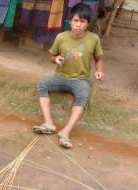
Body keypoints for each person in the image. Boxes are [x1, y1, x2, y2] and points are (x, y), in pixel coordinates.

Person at [33, 3, 105, 149]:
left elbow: (99, 59)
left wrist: (99, 70)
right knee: (42, 84)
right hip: (61, 77)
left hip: (80, 80)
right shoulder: (61, 37)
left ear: (87, 23)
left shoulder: (94, 39)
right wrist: (56, 59)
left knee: (84, 95)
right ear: (70, 21)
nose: (78, 25)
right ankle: (48, 123)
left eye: (82, 21)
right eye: (76, 21)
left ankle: (66, 132)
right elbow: (51, 56)